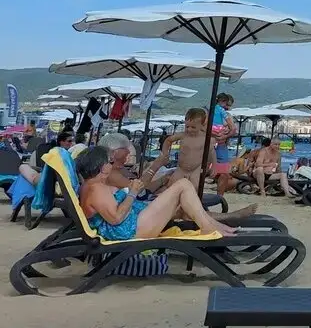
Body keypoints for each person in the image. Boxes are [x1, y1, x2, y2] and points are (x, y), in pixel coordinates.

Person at [75, 145, 236, 240]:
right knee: (183, 185)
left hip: (133, 222)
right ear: (101, 166)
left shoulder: (93, 185)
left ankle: (213, 224)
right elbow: (116, 218)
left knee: (181, 200)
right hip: (131, 229)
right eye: (110, 162)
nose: (113, 164)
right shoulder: (96, 188)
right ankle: (209, 226)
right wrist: (132, 193)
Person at [140, 107, 215, 191]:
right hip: (181, 168)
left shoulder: (205, 138)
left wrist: (214, 166)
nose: (189, 129)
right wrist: (165, 153)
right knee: (172, 186)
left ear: (202, 125)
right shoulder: (183, 135)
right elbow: (168, 140)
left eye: (193, 127)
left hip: (196, 169)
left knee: (195, 187)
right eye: (187, 126)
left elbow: (212, 152)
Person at [211, 93, 236, 173]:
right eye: (227, 105)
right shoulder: (213, 112)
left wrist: (224, 137)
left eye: (229, 106)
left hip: (221, 145)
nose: (228, 107)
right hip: (212, 144)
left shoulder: (227, 115)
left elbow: (233, 130)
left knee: (222, 168)